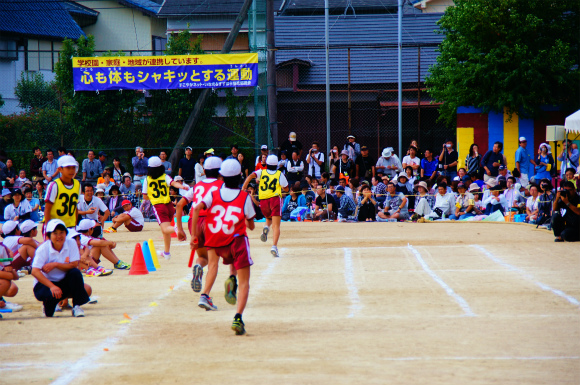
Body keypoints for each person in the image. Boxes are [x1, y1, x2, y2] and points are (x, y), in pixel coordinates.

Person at [191, 159, 256, 335]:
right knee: (245, 284)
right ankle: (237, 317)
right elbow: (250, 225)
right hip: (234, 239)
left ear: (223, 176)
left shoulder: (214, 194)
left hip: (214, 238)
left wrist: (194, 235)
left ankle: (206, 294)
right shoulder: (244, 197)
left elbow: (196, 209)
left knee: (213, 265)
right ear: (240, 176)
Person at [175, 156, 224, 291]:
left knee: (203, 256)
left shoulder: (197, 186)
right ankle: (206, 294)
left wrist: (179, 229)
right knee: (214, 261)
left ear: (204, 170)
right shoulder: (222, 186)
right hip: (211, 222)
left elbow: (179, 206)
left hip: (194, 221)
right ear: (220, 171)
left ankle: (198, 266)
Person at [31, 219, 90, 317]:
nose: (59, 236)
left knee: (75, 273)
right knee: (48, 314)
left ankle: (76, 306)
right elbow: (35, 271)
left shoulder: (71, 243)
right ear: (49, 236)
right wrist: (52, 286)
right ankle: (50, 304)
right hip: (46, 284)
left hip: (64, 282)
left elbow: (74, 264)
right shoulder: (43, 248)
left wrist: (55, 264)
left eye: (62, 232)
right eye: (55, 233)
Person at [242, 155, 289, 257]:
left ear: (266, 164)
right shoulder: (279, 174)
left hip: (263, 200)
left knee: (269, 217)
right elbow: (286, 189)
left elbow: (250, 176)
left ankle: (266, 226)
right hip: (275, 199)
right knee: (276, 225)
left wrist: (244, 187)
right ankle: (274, 247)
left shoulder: (261, 172)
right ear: (277, 165)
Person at [143, 156, 188, 259]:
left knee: (166, 228)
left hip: (159, 206)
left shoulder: (147, 180)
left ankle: (176, 228)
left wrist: (153, 195)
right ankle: (166, 252)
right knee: (165, 230)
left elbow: (145, 196)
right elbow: (173, 183)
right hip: (169, 205)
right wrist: (182, 187)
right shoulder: (165, 176)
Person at [43, 155, 81, 234]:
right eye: (68, 168)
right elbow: (47, 208)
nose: (71, 170)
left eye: (73, 167)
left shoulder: (77, 184)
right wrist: (48, 228)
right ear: (60, 169)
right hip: (55, 226)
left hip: (71, 226)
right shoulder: (54, 185)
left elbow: (75, 207)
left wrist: (75, 224)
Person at [0, 241, 21, 318]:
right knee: (5, 282)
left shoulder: (2, 248)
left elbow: (14, 276)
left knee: (10, 286)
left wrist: (9, 268)